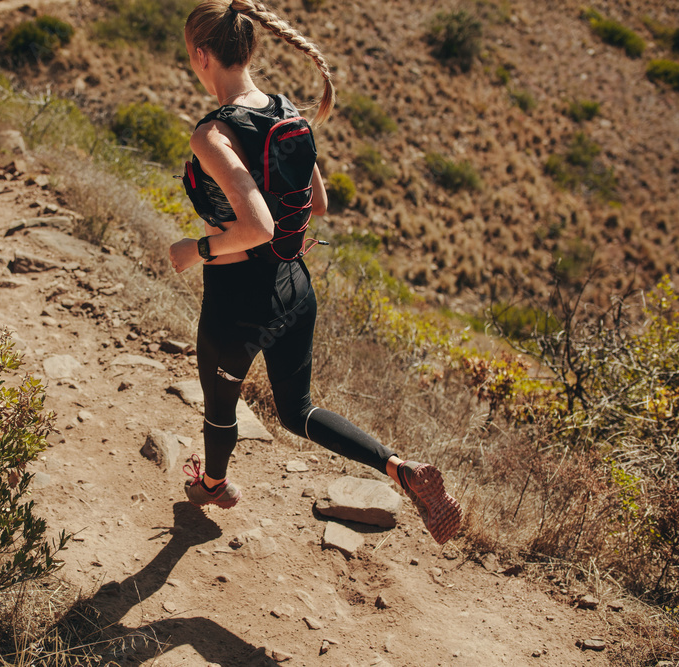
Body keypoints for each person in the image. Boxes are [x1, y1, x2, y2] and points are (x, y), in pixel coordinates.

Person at [169, 0, 462, 545]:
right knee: (297, 409)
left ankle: (213, 484)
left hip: (237, 304)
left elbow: (255, 227)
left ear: (202, 55)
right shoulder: (286, 111)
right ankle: (399, 469)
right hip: (294, 289)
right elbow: (317, 202)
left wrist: (196, 249)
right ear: (250, 49)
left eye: (192, 56)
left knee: (219, 408)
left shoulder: (213, 134)